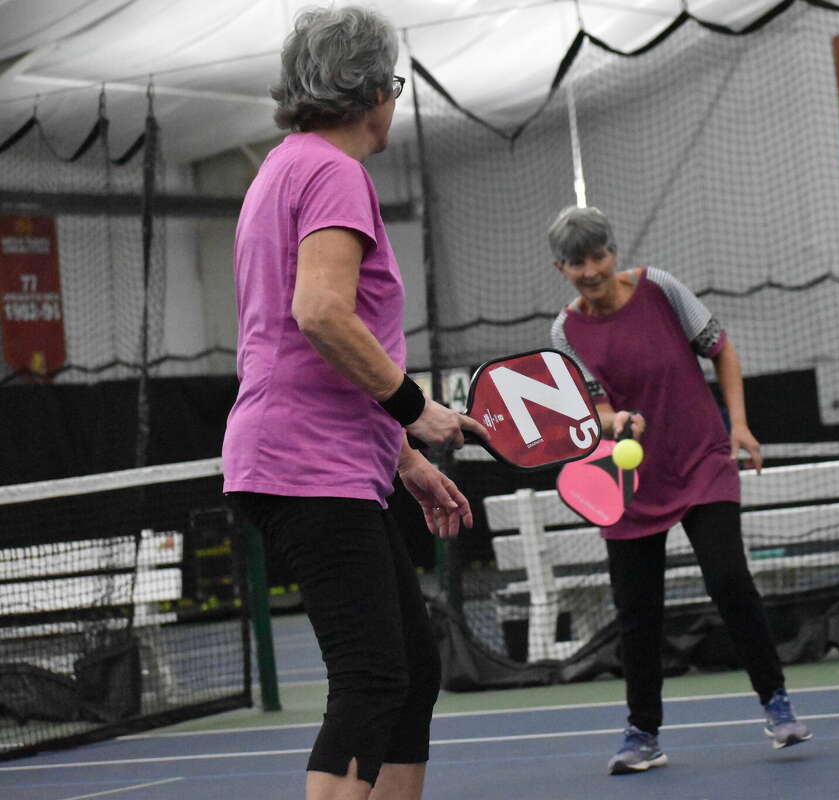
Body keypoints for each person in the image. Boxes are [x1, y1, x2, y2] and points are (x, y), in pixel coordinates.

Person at [221, 8, 488, 800]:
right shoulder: (334, 174)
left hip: (324, 461)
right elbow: (321, 313)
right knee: (372, 677)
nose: (394, 100)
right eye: (394, 84)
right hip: (307, 467)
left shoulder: (282, 168)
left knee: (410, 669)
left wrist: (403, 460)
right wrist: (418, 410)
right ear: (370, 89)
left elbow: (302, 338)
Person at [547, 206, 812, 775]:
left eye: (598, 257)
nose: (590, 270)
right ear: (560, 268)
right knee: (636, 610)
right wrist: (619, 423)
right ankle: (643, 733)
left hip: (700, 457)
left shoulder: (661, 288)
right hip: (631, 480)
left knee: (729, 580)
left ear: (613, 254)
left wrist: (738, 425)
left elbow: (722, 350)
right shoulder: (563, 332)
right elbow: (596, 405)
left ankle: (776, 703)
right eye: (576, 263)